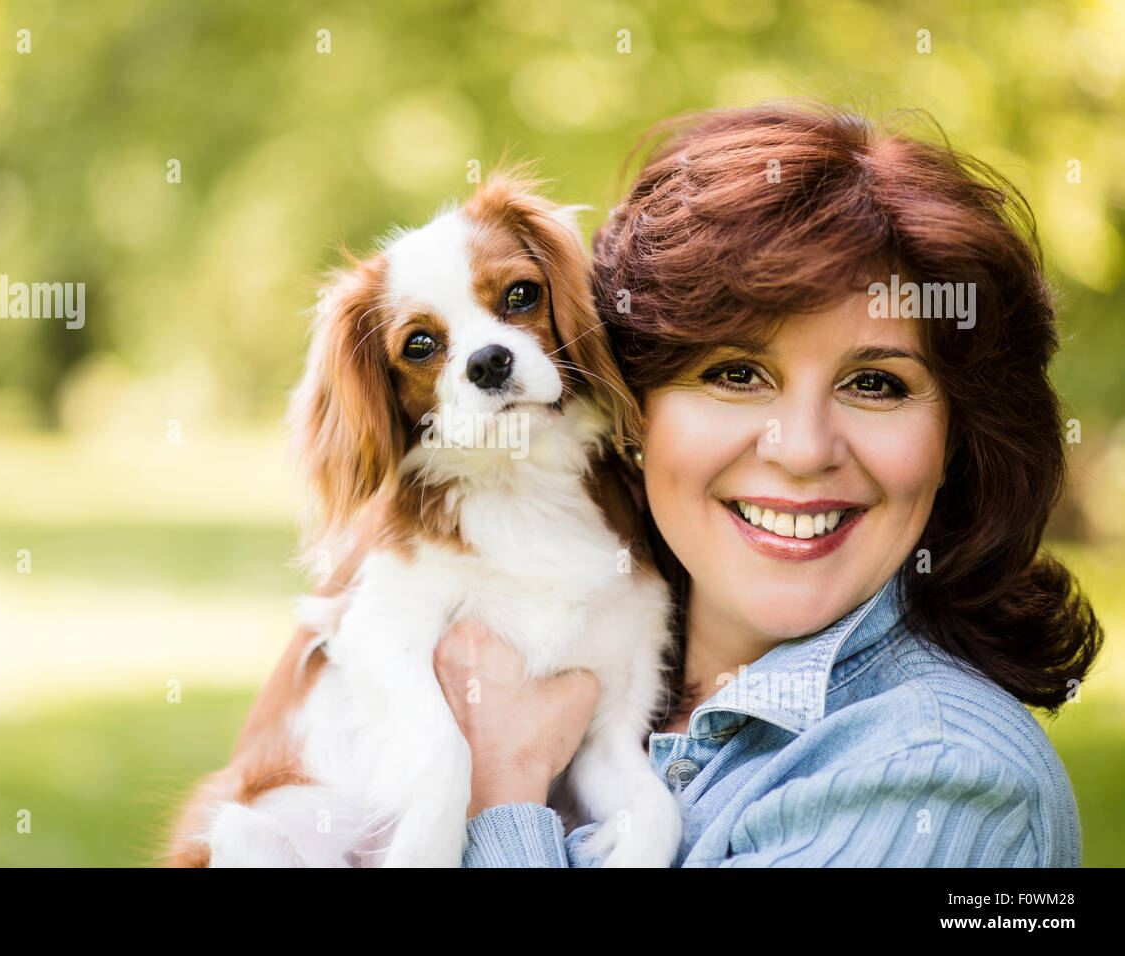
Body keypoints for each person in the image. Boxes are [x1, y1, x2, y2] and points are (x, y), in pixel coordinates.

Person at [436, 102, 1103, 867]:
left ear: (955, 436)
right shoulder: (533, 644)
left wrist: (501, 790)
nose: (803, 450)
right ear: (629, 410)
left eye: (877, 384)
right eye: (735, 373)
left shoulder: (938, 778)